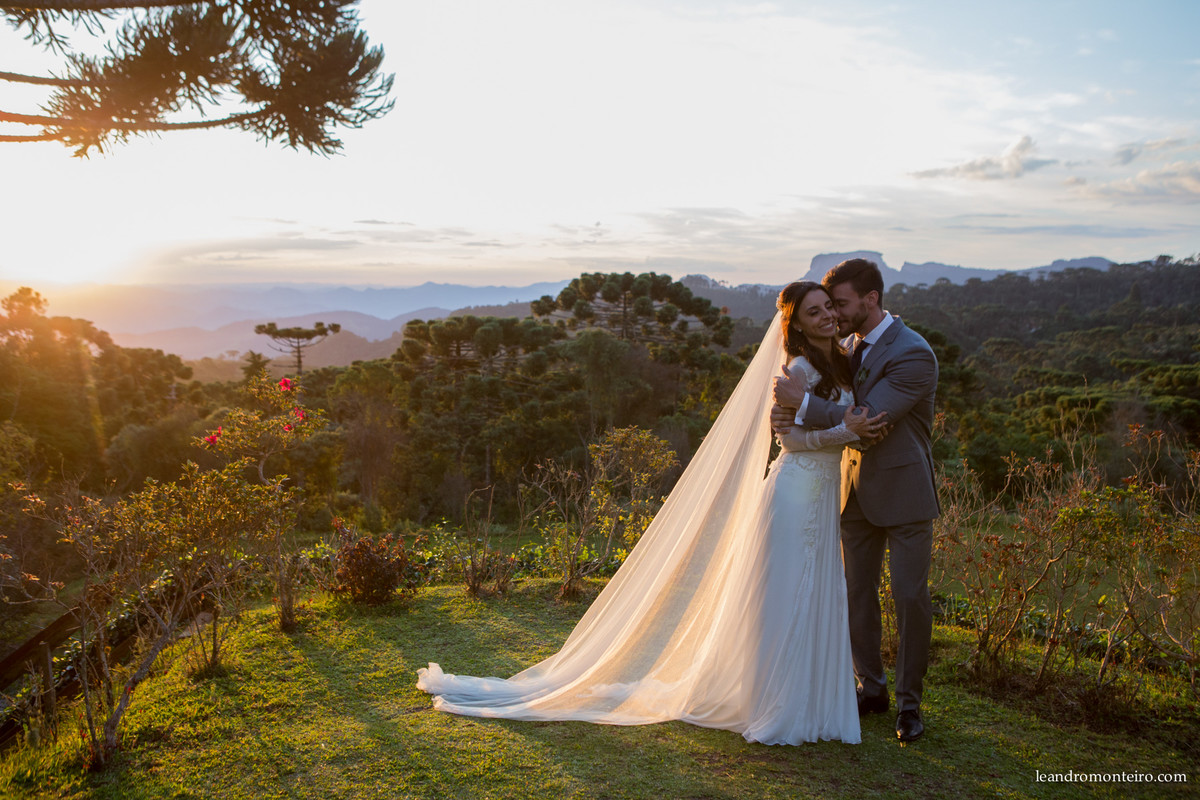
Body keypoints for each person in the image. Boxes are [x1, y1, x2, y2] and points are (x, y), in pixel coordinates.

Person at [417, 281, 886, 746]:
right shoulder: (797, 370)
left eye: (828, 307)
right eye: (814, 311)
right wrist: (844, 431)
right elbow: (788, 441)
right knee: (787, 594)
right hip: (794, 492)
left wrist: (849, 429)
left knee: (818, 589)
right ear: (797, 324)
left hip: (824, 498)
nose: (826, 315)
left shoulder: (844, 358)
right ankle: (778, 703)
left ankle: (815, 701)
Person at [771, 258, 939, 743]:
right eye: (828, 307)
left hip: (904, 491)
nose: (835, 315)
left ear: (871, 299)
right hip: (849, 489)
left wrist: (798, 405)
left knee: (909, 598)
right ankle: (872, 688)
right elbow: (824, 396)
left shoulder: (914, 353)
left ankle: (910, 706)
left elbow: (868, 418)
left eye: (841, 304)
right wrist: (784, 419)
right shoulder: (844, 348)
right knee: (855, 593)